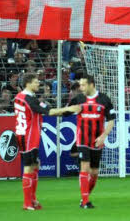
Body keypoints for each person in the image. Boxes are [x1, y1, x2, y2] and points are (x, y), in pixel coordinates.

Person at [14, 74, 79, 210]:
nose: (39, 84)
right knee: (29, 167)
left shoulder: (23, 97)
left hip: (26, 134)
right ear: (28, 83)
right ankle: (27, 203)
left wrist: (64, 110)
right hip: (28, 135)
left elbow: (44, 108)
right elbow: (48, 112)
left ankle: (33, 200)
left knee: (36, 164)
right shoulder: (28, 100)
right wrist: (68, 109)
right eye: (36, 82)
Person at [67, 74, 116, 209]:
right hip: (82, 139)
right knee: (85, 168)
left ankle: (85, 197)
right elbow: (67, 111)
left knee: (94, 173)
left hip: (97, 140)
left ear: (91, 84)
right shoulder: (78, 99)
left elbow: (111, 119)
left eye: (83, 85)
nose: (81, 88)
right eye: (80, 85)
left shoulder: (104, 99)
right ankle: (85, 201)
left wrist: (104, 136)